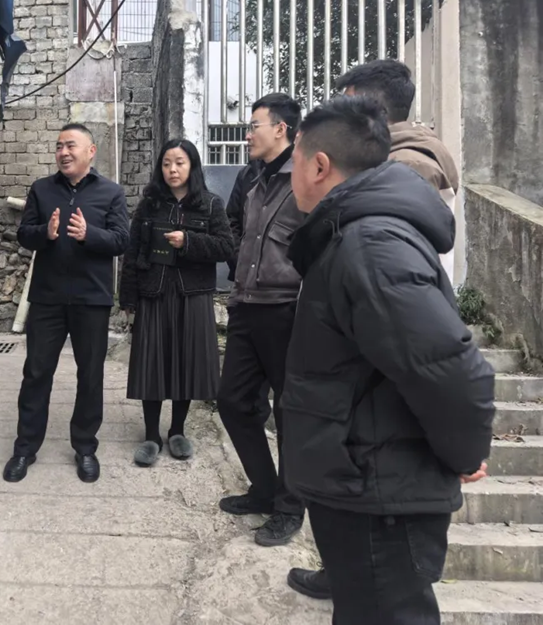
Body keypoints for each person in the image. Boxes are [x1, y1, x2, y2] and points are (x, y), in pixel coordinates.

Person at [283, 95, 495, 624]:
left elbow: (450, 369)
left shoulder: (370, 244)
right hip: (363, 478)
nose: (290, 177)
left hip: (381, 495)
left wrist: (464, 454)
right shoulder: (355, 234)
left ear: (319, 165)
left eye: (293, 163)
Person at [3, 124, 129, 484]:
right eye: (59, 146)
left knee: (90, 374)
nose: (63, 152)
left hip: (92, 299)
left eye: (70, 145)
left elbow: (122, 240)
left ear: (91, 151)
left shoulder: (111, 192)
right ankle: (25, 447)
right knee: (36, 372)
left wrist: (90, 235)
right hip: (48, 298)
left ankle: (85, 447)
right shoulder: (42, 189)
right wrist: (45, 233)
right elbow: (23, 234)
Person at [216, 93, 306, 547]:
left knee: (290, 413)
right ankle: (265, 489)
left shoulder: (305, 178)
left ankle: (290, 508)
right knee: (232, 400)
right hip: (246, 304)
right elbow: (236, 226)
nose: (248, 134)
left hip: (286, 310)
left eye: (254, 126)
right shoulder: (253, 178)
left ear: (281, 129)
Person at [119, 139, 235, 467]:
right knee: (152, 363)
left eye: (180, 163)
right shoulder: (150, 205)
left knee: (186, 363)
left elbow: (226, 247)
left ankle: (177, 430)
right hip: (154, 292)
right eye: (167, 163)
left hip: (192, 295)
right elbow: (133, 251)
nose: (172, 169)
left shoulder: (210, 205)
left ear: (192, 166)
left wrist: (189, 241)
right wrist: (128, 298)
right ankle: (151, 435)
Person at [334, 59, 460, 282]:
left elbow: (402, 260)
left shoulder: (410, 165)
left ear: (376, 113)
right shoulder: (390, 157)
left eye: (347, 105)